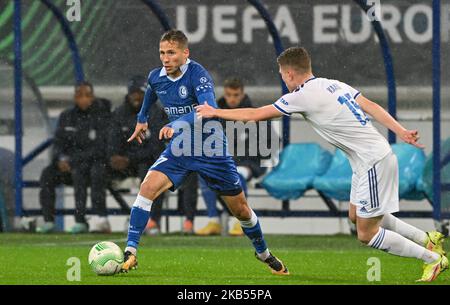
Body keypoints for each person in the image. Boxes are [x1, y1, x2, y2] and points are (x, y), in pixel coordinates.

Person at [196, 46, 448, 282]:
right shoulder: (332, 84)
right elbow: (370, 106)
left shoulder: (303, 95)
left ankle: (432, 259)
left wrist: (215, 112)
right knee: (355, 215)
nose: (284, 80)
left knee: (366, 234)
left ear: (291, 73)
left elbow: (253, 114)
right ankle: (426, 238)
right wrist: (400, 131)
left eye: (283, 75)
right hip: (368, 160)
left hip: (373, 162)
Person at [122, 29, 289, 275]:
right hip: (181, 148)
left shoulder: (198, 75)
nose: (165, 58)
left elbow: (207, 110)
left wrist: (175, 124)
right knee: (147, 187)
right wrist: (142, 119)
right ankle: (130, 252)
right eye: (162, 53)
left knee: (240, 209)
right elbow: (150, 93)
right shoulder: (156, 77)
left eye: (171, 53)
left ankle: (263, 252)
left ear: (185, 53)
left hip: (211, 150)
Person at [36, 81, 112, 234]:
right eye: (79, 96)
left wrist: (72, 161)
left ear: (93, 97)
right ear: (74, 98)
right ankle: (48, 221)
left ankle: (81, 221)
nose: (83, 99)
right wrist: (60, 159)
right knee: (47, 174)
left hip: (88, 164)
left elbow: (99, 148)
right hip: (66, 164)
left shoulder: (101, 117)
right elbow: (58, 143)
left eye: (87, 95)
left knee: (81, 172)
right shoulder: (66, 116)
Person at [196, 78, 267, 236]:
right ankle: (213, 221)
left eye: (236, 95)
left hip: (249, 164)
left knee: (237, 173)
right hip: (223, 162)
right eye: (229, 95)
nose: (232, 98)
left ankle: (239, 222)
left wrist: (246, 160)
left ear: (242, 94)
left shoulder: (254, 112)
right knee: (203, 175)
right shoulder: (214, 113)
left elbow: (267, 144)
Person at [107, 76, 168, 235]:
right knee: (96, 171)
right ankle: (99, 219)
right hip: (124, 163)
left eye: (140, 93)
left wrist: (130, 158)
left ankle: (151, 220)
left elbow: (156, 146)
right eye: (133, 93)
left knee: (152, 175)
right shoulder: (119, 113)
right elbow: (112, 140)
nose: (136, 96)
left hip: (146, 161)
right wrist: (114, 156)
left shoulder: (155, 113)